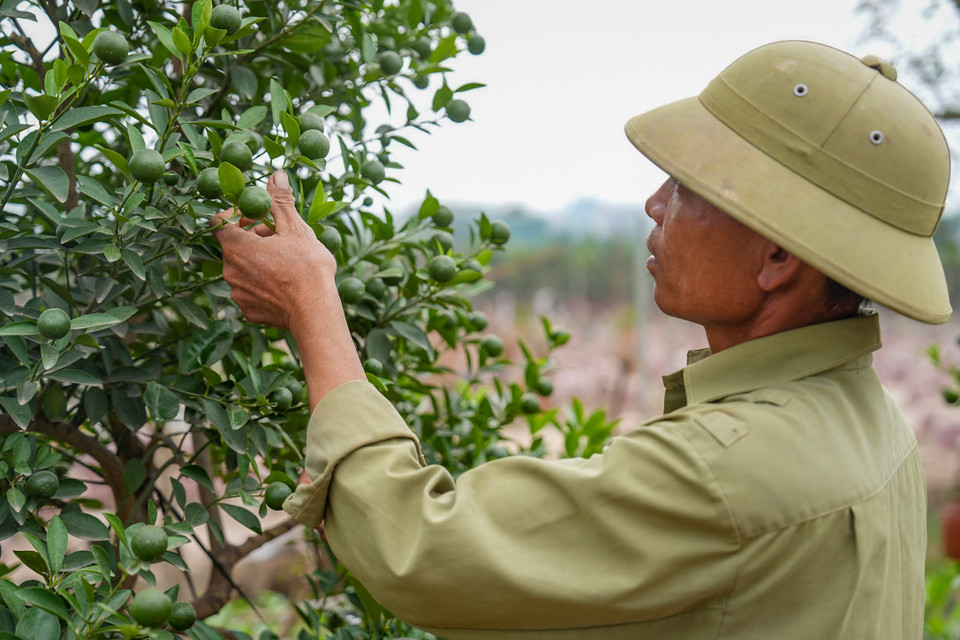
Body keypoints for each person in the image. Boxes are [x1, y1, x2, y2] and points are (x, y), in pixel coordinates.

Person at [212, 40, 950, 639]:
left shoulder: (728, 472)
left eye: (689, 188)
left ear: (780, 258)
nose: (654, 203)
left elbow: (420, 549)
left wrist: (311, 307)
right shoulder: (871, 421)